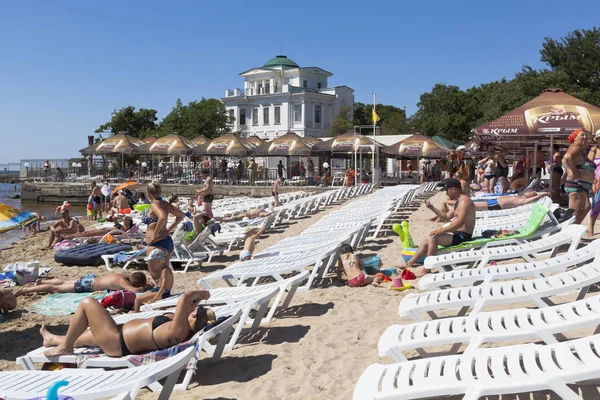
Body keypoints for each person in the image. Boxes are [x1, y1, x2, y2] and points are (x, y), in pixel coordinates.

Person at [39, 289, 214, 357]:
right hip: (118, 336)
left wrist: (204, 294)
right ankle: (52, 339)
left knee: (87, 303)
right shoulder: (181, 324)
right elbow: (188, 305)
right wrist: (197, 304)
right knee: (84, 336)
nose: (194, 309)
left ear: (194, 319)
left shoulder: (179, 330)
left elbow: (185, 298)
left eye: (195, 312)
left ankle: (66, 347)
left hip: (117, 341)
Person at [405, 178, 476, 276]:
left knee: (433, 239)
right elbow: (446, 217)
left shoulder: (464, 201)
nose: (446, 193)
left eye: (447, 190)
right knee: (427, 238)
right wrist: (432, 208)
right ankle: (409, 263)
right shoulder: (458, 202)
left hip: (464, 236)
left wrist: (441, 230)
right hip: (456, 234)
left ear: (453, 190)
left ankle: (427, 269)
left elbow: (460, 222)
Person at [142, 181, 184, 307]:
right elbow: (181, 216)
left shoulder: (155, 204)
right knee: (164, 271)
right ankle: (165, 299)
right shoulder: (165, 204)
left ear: (148, 193)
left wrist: (155, 233)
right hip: (167, 242)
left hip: (156, 243)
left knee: (156, 277)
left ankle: (160, 301)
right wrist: (169, 229)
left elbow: (162, 217)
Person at [15, 272, 149, 296]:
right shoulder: (123, 281)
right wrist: (146, 287)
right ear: (134, 282)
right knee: (55, 288)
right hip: (88, 285)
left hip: (90, 279)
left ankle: (42, 281)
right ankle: (25, 290)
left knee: (63, 281)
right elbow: (135, 291)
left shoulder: (123, 274)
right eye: (137, 284)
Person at [564, 129, 594, 224]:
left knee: (586, 207)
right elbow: (567, 157)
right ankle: (569, 233)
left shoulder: (580, 149)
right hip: (577, 184)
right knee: (575, 213)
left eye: (586, 136)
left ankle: (575, 229)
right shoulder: (576, 147)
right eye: (582, 135)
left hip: (581, 185)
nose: (584, 137)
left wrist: (571, 170)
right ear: (575, 138)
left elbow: (566, 160)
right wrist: (572, 171)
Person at [471, 191, 547, 211]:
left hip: (498, 204)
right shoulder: (521, 196)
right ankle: (464, 207)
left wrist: (544, 194)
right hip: (496, 201)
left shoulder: (524, 200)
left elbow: (534, 197)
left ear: (530, 196)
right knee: (477, 205)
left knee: (477, 206)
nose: (527, 192)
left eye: (529, 193)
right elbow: (536, 193)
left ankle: (464, 208)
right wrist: (537, 193)